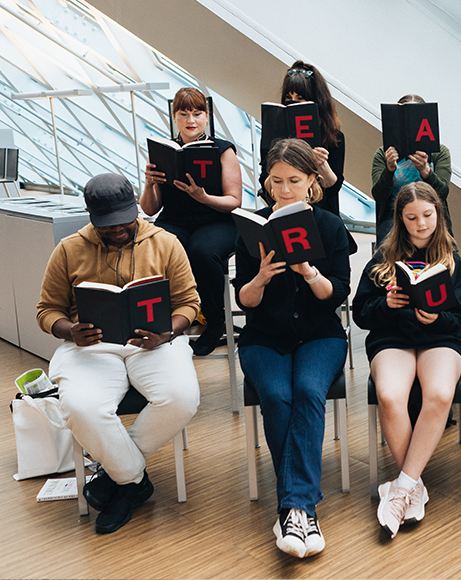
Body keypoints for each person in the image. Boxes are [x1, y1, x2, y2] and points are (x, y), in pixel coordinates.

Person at [36, 173, 200, 534]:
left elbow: (189, 303)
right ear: (91, 216)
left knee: (182, 397)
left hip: (155, 341)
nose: (118, 229)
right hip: (91, 346)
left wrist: (168, 332)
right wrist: (70, 331)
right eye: (107, 225)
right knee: (81, 406)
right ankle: (133, 483)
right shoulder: (68, 248)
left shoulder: (167, 243)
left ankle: (117, 477)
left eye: (124, 221)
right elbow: (47, 310)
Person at [235, 138, 350, 558]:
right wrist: (261, 277)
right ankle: (300, 508)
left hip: (320, 334)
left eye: (294, 181)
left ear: (312, 182)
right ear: (267, 183)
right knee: (277, 396)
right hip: (264, 336)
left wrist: (308, 271)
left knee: (306, 390)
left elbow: (337, 293)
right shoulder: (253, 227)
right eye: (277, 181)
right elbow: (243, 300)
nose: (284, 190)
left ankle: (293, 508)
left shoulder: (331, 226)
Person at [353, 182, 461, 539]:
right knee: (390, 395)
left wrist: (439, 318)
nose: (421, 224)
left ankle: (400, 490)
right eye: (411, 218)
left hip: (440, 337)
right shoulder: (382, 258)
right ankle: (413, 487)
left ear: (438, 214)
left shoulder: (453, 260)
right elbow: (361, 312)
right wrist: (386, 305)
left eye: (427, 215)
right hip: (393, 337)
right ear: (400, 219)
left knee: (439, 394)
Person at [141, 87, 243, 356]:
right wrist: (148, 183)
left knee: (203, 251)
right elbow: (150, 208)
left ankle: (214, 320)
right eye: (183, 113)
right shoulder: (163, 151)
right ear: (174, 117)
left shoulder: (223, 151)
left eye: (197, 113)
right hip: (175, 219)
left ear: (207, 117)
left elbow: (234, 201)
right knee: (152, 245)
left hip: (217, 219)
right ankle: (162, 321)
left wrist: (203, 196)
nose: (191, 120)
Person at [259, 61, 345, 219]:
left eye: (300, 98)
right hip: (282, 207)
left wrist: (321, 164)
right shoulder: (273, 134)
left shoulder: (334, 137)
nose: (293, 103)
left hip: (321, 210)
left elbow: (333, 189)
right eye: (288, 98)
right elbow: (264, 181)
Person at [371, 94, 453, 243]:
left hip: (431, 213)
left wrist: (426, 171)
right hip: (394, 216)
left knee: (448, 249)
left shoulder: (439, 152)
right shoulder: (383, 153)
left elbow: (443, 193)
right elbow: (378, 195)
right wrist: (389, 169)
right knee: (384, 251)